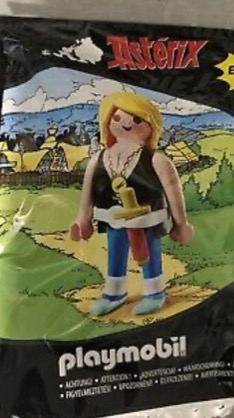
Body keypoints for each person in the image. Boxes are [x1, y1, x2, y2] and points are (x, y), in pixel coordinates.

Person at [70, 91, 194, 316]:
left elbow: (173, 192)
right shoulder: (98, 159)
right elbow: (87, 193)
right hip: (112, 217)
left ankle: (155, 293)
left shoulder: (156, 160)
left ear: (150, 125)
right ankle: (114, 293)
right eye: (117, 118)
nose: (126, 123)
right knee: (115, 253)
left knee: (150, 254)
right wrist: (82, 219)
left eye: (137, 119)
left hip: (147, 220)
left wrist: (181, 224)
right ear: (107, 122)